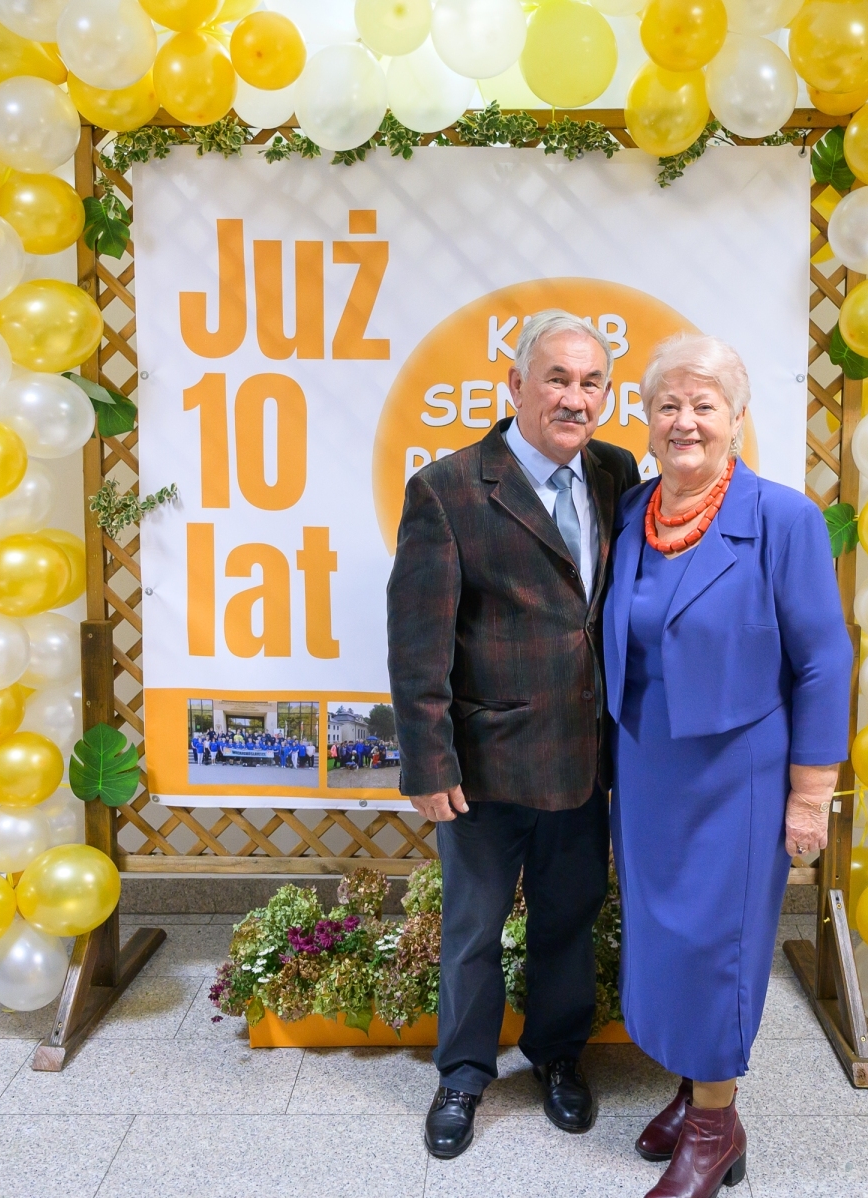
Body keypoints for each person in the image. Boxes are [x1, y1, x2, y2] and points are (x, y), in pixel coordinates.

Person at [388, 309, 642, 1161]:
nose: (575, 398)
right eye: (557, 379)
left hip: (584, 759)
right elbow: (418, 641)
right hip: (484, 765)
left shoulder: (614, 470)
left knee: (569, 919)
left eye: (591, 382)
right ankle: (462, 1075)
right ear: (516, 385)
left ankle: (558, 1057)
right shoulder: (448, 488)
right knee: (473, 930)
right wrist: (428, 761)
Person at [605, 334, 852, 1198]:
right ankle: (693, 1091)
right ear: (646, 418)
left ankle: (715, 1128)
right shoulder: (633, 511)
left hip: (738, 773)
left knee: (718, 945)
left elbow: (823, 659)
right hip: (648, 767)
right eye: (667, 404)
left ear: (737, 418)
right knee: (664, 940)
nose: (685, 421)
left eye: (704, 404)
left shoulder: (784, 518)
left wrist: (810, 794)